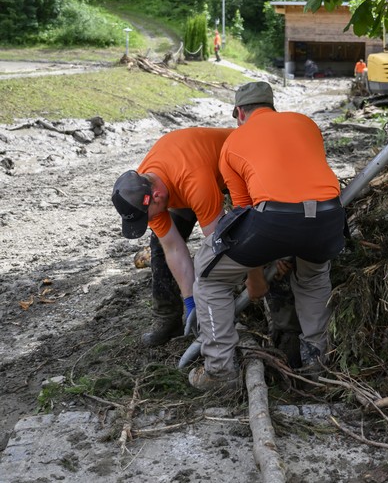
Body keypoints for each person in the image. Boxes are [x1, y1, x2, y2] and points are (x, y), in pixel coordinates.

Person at [188, 81, 345, 391]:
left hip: (274, 220)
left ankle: (220, 371)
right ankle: (317, 366)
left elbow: (244, 214)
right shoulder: (306, 124)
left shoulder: (233, 142)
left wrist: (254, 275)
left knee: (209, 278)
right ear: (272, 106)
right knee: (313, 279)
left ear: (239, 112)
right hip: (329, 216)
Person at [111, 127, 233, 346]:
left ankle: (232, 310)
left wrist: (209, 304)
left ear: (156, 197)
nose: (146, 221)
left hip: (231, 171)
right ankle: (168, 318)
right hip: (181, 187)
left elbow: (217, 246)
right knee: (158, 247)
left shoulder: (194, 181)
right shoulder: (143, 192)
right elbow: (173, 248)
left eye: (145, 218)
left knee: (235, 242)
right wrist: (190, 301)